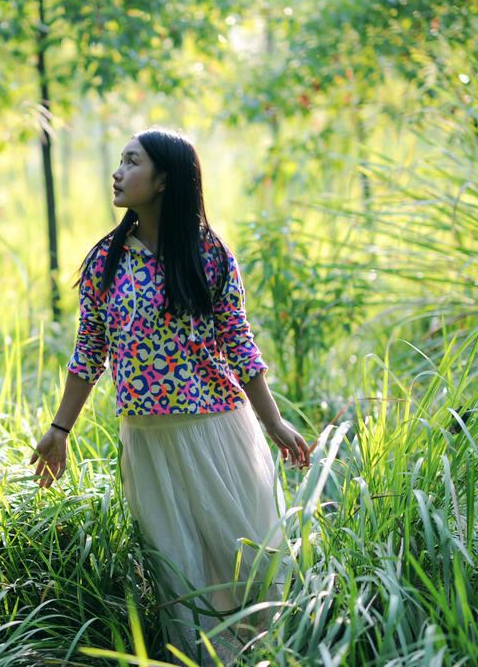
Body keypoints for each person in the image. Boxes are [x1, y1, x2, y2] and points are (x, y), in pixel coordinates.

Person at [30, 128, 311, 662]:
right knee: (178, 573)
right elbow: (89, 352)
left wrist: (274, 423)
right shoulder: (106, 262)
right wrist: (59, 430)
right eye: (119, 161)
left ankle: (270, 654)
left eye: (131, 162)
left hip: (216, 431)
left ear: (163, 180)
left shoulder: (208, 254)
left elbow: (238, 342)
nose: (117, 172)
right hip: (148, 439)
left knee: (244, 561)